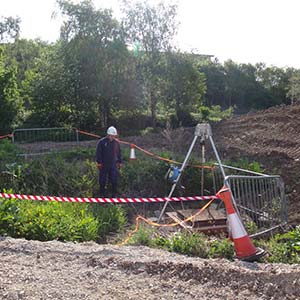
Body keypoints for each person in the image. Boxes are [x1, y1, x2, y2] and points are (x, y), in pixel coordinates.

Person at [96, 126, 123, 197]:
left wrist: (120, 162)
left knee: (114, 179)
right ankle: (102, 194)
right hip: (103, 164)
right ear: (108, 135)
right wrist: (99, 162)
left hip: (113, 164)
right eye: (111, 136)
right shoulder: (101, 142)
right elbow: (98, 153)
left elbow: (119, 152)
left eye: (114, 136)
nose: (112, 137)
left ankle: (114, 194)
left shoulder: (116, 143)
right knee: (102, 180)